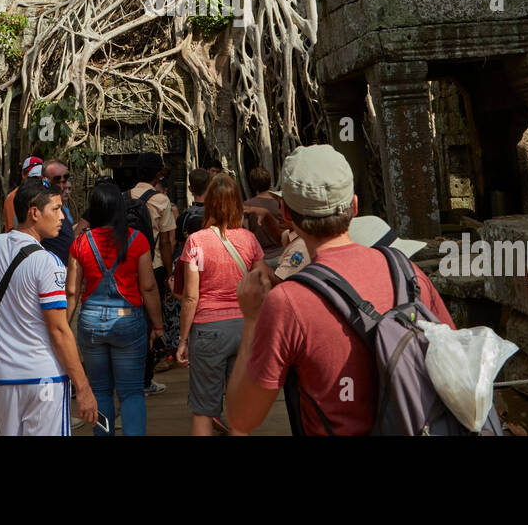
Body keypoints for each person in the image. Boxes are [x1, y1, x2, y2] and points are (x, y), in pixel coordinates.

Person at [225, 145, 455, 435]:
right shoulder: (409, 273)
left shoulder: (288, 302)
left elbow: (242, 419)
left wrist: (251, 321)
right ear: (355, 206)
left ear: (286, 213)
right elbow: (455, 361)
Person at [0, 177, 96, 435]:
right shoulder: (48, 263)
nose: (62, 217)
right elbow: (58, 332)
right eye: (56, 209)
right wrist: (82, 388)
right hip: (44, 376)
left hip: (6, 377)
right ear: (34, 213)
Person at [66, 178, 164, 436]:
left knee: (99, 391)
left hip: (91, 322)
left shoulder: (80, 243)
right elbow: (149, 287)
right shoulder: (137, 240)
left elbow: (72, 291)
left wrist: (63, 328)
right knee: (131, 392)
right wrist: (158, 326)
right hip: (128, 321)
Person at [176, 173, 269, 435]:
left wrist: (183, 340)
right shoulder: (250, 240)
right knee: (240, 409)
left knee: (204, 410)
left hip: (208, 331)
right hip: (244, 329)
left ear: (210, 204)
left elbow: (191, 297)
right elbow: (263, 283)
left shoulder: (196, 241)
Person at [132, 152, 176, 395]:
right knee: (152, 322)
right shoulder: (161, 200)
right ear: (158, 174)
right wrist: (169, 273)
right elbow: (168, 242)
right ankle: (146, 379)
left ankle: (132, 375)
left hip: (130, 268)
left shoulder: (125, 196)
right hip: (155, 265)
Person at [242, 166, 285, 267]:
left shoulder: (247, 206)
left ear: (252, 184)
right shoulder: (278, 202)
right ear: (269, 181)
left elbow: (247, 232)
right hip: (282, 254)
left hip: (261, 258)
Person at [41, 158, 76, 264]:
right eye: (56, 180)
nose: (62, 186)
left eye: (65, 180)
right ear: (44, 181)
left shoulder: (62, 206)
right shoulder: (39, 205)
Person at [2, 155, 43, 232]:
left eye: (41, 177)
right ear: (24, 174)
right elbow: (14, 229)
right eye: (35, 177)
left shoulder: (43, 195)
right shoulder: (13, 198)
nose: (38, 181)